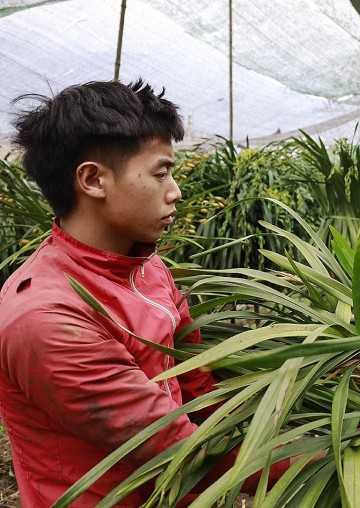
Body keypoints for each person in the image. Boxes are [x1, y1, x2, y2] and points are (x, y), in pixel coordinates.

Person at [0, 80, 288, 507]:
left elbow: (195, 381)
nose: (175, 191)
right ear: (93, 180)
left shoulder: (146, 267)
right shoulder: (47, 319)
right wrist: (328, 454)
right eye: (160, 172)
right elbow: (178, 448)